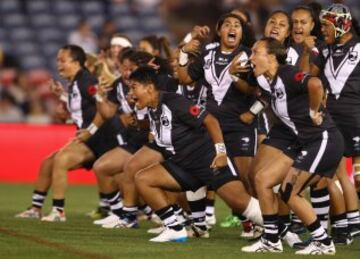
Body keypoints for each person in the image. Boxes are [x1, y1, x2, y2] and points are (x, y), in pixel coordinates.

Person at [129, 66, 263, 242]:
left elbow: (210, 120)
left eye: (133, 87)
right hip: (183, 165)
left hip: (207, 160)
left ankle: (281, 225)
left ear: (149, 87)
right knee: (143, 178)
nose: (131, 93)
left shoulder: (173, 101)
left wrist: (221, 153)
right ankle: (175, 228)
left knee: (241, 204)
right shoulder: (153, 109)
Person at [242, 37, 341, 255]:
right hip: (304, 142)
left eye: (255, 53)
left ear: (271, 57)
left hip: (323, 139)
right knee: (262, 179)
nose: (251, 58)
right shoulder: (271, 81)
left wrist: (314, 111)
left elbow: (315, 84)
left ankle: (323, 242)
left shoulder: (286, 73)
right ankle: (271, 239)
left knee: (290, 192)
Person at [15, 45, 118, 222]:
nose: (59, 65)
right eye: (57, 61)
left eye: (63, 60)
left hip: (100, 140)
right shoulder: (75, 83)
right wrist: (61, 98)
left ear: (76, 63)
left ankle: (58, 211)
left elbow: (104, 108)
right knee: (48, 162)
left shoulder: (87, 81)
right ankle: (35, 208)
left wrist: (90, 130)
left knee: (61, 160)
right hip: (88, 138)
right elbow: (84, 110)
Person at [308, 3, 360, 239]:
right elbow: (310, 78)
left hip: (357, 119)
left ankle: (353, 226)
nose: (322, 31)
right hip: (332, 121)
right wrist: (312, 52)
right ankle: (348, 227)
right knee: (335, 174)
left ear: (341, 24)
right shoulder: (324, 50)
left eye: (326, 26)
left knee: (357, 178)